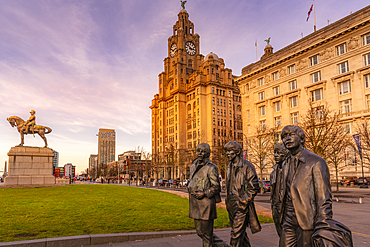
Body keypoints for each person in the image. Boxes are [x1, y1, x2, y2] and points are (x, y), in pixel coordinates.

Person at [279, 125, 352, 247]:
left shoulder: (316, 162)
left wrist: (323, 224)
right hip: (288, 219)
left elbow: (324, 197)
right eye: (284, 137)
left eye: (291, 135)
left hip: (308, 221)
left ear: (302, 139)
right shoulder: (286, 163)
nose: (287, 139)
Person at [224, 140, 261, 247]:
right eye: (226, 151)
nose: (227, 153)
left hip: (241, 206)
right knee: (241, 235)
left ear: (237, 152)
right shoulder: (229, 166)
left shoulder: (247, 166)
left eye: (230, 151)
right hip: (231, 205)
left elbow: (254, 187)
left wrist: (243, 202)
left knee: (235, 235)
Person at [188, 143, 221, 247]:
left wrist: (204, 193)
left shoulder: (211, 168)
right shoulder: (193, 167)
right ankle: (222, 245)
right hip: (195, 204)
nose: (200, 153)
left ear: (208, 153)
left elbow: (216, 187)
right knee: (200, 232)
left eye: (202, 151)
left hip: (206, 204)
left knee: (206, 235)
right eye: (198, 151)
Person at [270, 143, 289, 237]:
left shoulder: (290, 171)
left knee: (288, 238)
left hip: (286, 207)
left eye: (279, 153)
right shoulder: (273, 173)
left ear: (285, 155)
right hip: (276, 207)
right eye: (275, 153)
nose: (275, 155)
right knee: (280, 234)